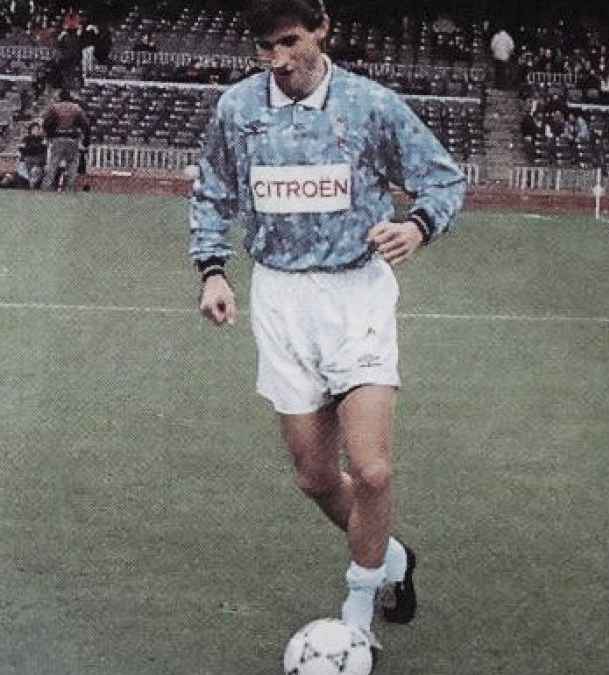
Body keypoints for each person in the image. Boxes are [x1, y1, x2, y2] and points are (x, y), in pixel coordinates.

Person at [189, 0, 465, 661]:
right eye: (266, 47)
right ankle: (391, 557)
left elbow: (443, 179)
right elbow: (212, 192)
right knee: (316, 477)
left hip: (355, 295)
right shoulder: (238, 109)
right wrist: (213, 271)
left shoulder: (370, 105)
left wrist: (418, 225)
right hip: (281, 299)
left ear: (321, 31)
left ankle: (359, 606)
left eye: (290, 41)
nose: (279, 59)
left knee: (371, 469)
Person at [41, 89, 90, 191]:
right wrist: (85, 141)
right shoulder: (76, 108)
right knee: (72, 164)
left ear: (60, 97)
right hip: (72, 139)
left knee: (53, 163)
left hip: (58, 138)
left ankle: (47, 186)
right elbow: (85, 124)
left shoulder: (54, 107)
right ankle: (70, 187)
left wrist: (50, 135)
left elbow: (46, 123)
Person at [17, 120, 46, 188]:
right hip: (27, 159)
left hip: (38, 160)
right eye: (34, 129)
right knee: (23, 172)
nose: (36, 131)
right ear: (31, 130)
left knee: (36, 171)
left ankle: (34, 184)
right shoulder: (26, 139)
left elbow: (44, 150)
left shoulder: (42, 139)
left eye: (37, 129)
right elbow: (21, 150)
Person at [490, 25, 515, 90]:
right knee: (504, 71)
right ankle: (503, 85)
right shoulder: (508, 37)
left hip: (497, 56)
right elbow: (512, 47)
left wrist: (495, 52)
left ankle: (497, 85)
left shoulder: (496, 36)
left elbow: (492, 46)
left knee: (497, 71)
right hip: (505, 57)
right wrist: (508, 53)